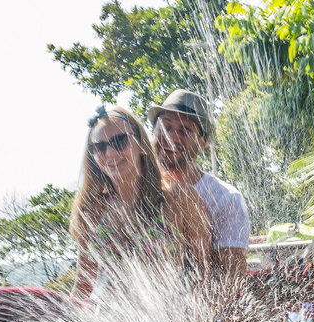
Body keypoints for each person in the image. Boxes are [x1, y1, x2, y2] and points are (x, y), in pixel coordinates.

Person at [70, 104, 213, 298]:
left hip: (169, 320)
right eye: (100, 147)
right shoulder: (91, 209)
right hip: (106, 320)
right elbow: (83, 286)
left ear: (141, 144)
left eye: (120, 141)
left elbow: (203, 274)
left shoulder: (181, 199)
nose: (110, 153)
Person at [149, 89, 251, 280]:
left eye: (184, 130)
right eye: (165, 127)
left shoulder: (226, 199)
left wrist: (185, 311)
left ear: (202, 144)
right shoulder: (139, 191)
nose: (171, 137)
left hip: (195, 304)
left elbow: (229, 281)